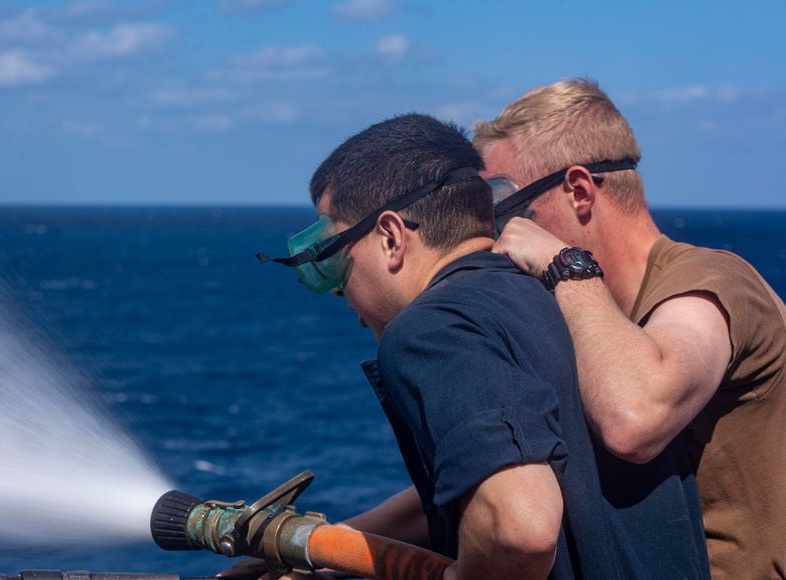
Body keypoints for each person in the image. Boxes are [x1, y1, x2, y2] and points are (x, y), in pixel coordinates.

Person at [243, 113, 708, 578]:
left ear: (390, 238)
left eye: (333, 256)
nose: (338, 290)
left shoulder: (430, 328)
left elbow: (520, 528)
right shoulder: (569, 307)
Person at [474, 78, 786, 579]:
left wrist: (561, 263)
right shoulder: (585, 317)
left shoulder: (713, 282)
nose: (498, 234)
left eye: (502, 208)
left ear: (579, 190)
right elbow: (502, 468)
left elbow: (634, 420)